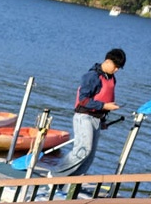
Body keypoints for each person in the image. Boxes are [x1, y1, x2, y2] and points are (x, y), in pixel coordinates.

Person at [52, 48, 125, 176]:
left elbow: (104, 98)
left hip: (96, 119)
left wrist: (103, 120)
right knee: (82, 150)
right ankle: (54, 176)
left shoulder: (111, 78)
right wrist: (104, 105)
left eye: (119, 68)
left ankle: (69, 186)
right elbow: (83, 100)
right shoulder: (92, 76)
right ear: (107, 61)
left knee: (89, 157)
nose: (117, 70)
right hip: (84, 117)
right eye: (116, 66)